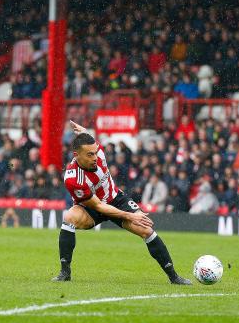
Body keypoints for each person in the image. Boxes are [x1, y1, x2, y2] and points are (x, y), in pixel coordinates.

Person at [53, 121, 191, 285]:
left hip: (116, 199)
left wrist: (84, 132)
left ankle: (174, 277)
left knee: (146, 229)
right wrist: (129, 216)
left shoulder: (98, 153)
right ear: (76, 155)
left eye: (95, 152)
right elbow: (98, 206)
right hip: (91, 207)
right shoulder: (73, 179)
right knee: (69, 217)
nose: (95, 157)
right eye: (90, 155)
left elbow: (91, 143)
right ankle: (65, 271)